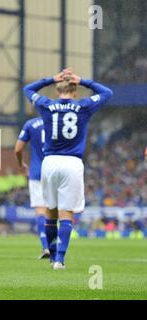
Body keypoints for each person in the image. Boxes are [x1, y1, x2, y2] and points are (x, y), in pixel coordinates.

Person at [24, 68, 113, 270]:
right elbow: (107, 93)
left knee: (50, 212)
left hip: (50, 162)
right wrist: (83, 80)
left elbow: (28, 89)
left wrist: (51, 78)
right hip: (72, 163)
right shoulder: (83, 106)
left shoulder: (46, 105)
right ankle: (59, 260)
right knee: (67, 214)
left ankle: (52, 252)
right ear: (75, 91)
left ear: (57, 91)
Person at [14, 117, 50, 259]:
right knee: (53, 211)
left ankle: (45, 246)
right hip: (55, 169)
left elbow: (18, 149)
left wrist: (21, 164)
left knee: (40, 210)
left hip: (36, 172)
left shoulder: (30, 124)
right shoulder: (56, 120)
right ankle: (56, 247)